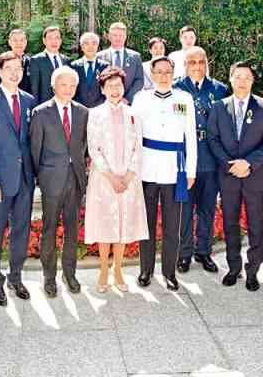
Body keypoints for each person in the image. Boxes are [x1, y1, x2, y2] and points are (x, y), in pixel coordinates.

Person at [207, 61, 263, 290]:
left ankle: (252, 270)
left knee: (256, 226)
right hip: (228, 177)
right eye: (238, 77)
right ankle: (233, 267)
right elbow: (213, 139)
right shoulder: (219, 107)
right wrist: (230, 165)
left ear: (252, 80)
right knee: (230, 224)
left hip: (255, 176)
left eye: (247, 77)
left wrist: (248, 163)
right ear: (230, 79)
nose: (242, 81)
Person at [133, 56, 197, 291]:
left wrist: (191, 171)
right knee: (146, 224)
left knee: (172, 224)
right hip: (147, 168)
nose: (163, 76)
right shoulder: (141, 99)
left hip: (174, 169)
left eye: (167, 72)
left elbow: (190, 136)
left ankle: (169, 272)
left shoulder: (184, 98)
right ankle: (145, 270)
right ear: (151, 73)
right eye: (158, 72)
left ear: (173, 73)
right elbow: (134, 133)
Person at [0, 51, 36, 306]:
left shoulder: (29, 100)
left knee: (21, 230)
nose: (15, 72)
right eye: (9, 68)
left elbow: (32, 141)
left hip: (24, 178)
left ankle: (16, 277)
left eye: (18, 68)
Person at [84, 66, 148, 292]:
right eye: (109, 86)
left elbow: (139, 146)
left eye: (118, 86)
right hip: (104, 179)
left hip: (129, 180)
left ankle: (118, 269)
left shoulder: (133, 114)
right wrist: (112, 178)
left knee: (123, 224)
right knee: (105, 224)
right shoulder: (94, 114)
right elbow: (94, 148)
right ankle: (103, 270)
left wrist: (129, 176)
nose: (115, 90)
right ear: (102, 89)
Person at [30, 66, 89, 297]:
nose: (68, 89)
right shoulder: (41, 113)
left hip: (75, 180)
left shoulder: (83, 112)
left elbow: (83, 145)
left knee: (72, 230)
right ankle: (49, 277)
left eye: (72, 85)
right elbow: (35, 150)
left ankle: (69, 273)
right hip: (51, 180)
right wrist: (42, 176)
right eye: (64, 85)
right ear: (54, 86)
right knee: (49, 229)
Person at [173, 46, 229, 274]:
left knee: (206, 209)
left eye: (200, 61)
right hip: (184, 158)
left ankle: (203, 252)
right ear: (184, 64)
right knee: (184, 209)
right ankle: (184, 253)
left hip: (210, 157)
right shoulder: (176, 89)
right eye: (192, 62)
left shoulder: (219, 89)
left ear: (207, 63)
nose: (196, 66)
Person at [96, 22, 144, 103]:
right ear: (109, 37)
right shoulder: (99, 57)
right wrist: (107, 98)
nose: (118, 38)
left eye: (121, 35)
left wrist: (127, 99)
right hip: (106, 103)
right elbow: (97, 81)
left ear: (125, 37)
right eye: (115, 35)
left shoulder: (135, 57)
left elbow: (139, 81)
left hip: (128, 104)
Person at [30, 26, 70, 104]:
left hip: (64, 105)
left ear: (61, 41)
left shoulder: (66, 60)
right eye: (50, 38)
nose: (54, 41)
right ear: (44, 41)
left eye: (57, 38)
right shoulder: (36, 60)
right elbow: (34, 89)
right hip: (45, 107)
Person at [71, 32, 109, 108]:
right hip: (78, 108)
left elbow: (107, 89)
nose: (90, 47)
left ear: (97, 46)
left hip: (100, 109)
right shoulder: (73, 66)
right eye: (86, 43)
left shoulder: (105, 66)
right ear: (81, 47)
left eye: (94, 43)